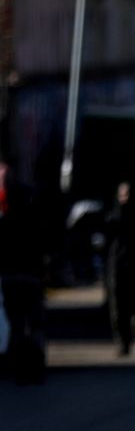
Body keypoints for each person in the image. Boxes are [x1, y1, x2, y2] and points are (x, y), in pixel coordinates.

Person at [0, 160, 47, 382]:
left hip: (16, 276)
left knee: (19, 323)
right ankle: (32, 366)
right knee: (30, 323)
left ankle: (22, 367)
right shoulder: (32, 210)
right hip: (29, 275)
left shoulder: (7, 216)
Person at [103, 182, 135, 357]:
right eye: (123, 195)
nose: (126, 199)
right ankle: (123, 342)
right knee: (118, 306)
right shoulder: (114, 215)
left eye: (129, 195)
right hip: (118, 265)